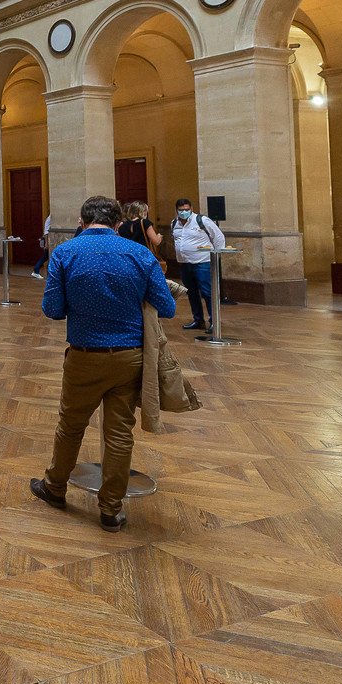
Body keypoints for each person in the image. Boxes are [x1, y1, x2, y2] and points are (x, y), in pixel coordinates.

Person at [31, 195, 175, 533]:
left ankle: (55, 487)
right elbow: (167, 308)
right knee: (119, 433)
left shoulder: (64, 253)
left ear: (82, 222)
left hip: (84, 355)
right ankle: (111, 508)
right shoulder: (140, 254)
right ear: (118, 224)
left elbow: (52, 309)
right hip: (129, 357)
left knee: (71, 426)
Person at [167, 199, 226, 332]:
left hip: (202, 262)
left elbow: (218, 237)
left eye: (186, 209)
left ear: (192, 208)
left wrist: (217, 255)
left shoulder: (202, 220)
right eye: (181, 210)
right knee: (191, 292)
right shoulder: (174, 223)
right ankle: (198, 320)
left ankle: (214, 321)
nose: (184, 212)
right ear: (176, 210)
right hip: (185, 264)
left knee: (207, 292)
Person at [31, 214, 51, 279]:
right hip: (47, 240)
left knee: (45, 257)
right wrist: (47, 243)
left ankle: (36, 271)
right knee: (45, 257)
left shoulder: (49, 218)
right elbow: (46, 232)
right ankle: (36, 271)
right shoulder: (50, 219)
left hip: (47, 240)